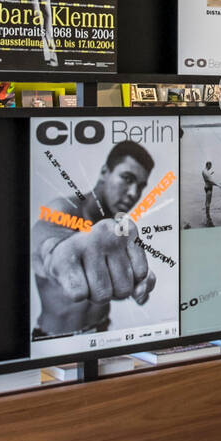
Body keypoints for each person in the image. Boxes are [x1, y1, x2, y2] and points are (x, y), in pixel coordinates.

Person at [31, 140, 157, 338]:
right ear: (104, 172)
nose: (133, 193)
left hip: (101, 332)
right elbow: (44, 239)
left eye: (140, 186)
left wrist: (135, 282)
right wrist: (54, 252)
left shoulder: (117, 225)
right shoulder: (63, 208)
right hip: (55, 341)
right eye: (127, 178)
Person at [202, 160, 218, 226]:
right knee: (208, 202)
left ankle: (207, 214)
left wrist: (211, 173)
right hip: (208, 188)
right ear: (208, 165)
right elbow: (209, 181)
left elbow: (207, 177)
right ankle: (208, 217)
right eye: (210, 166)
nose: (210, 168)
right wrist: (217, 185)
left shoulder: (205, 171)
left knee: (207, 202)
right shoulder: (205, 172)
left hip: (207, 187)